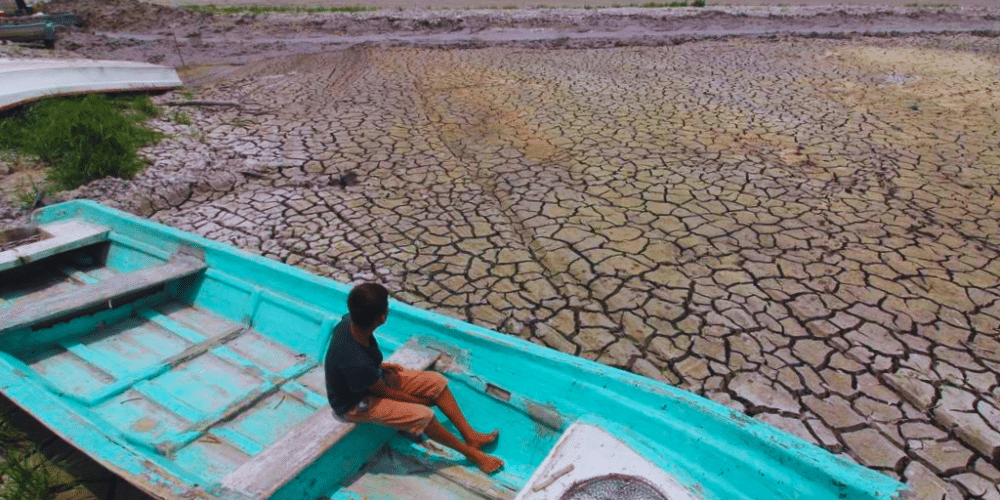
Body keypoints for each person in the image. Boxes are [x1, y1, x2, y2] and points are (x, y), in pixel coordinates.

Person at [324, 282, 503, 474]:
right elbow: (383, 391)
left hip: (369, 379)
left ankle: (470, 435)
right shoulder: (357, 362)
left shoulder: (348, 322)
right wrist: (420, 401)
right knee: (423, 415)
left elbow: (353, 364)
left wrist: (377, 367)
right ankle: (472, 455)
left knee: (436, 382)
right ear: (382, 318)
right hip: (353, 402)